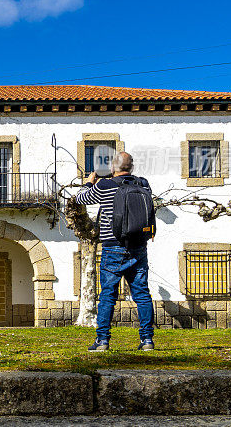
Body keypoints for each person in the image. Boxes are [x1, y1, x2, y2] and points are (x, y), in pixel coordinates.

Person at [75, 151, 155, 352]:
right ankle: (147, 340)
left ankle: (103, 341)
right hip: (138, 247)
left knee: (108, 295)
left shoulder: (105, 186)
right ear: (132, 168)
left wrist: (89, 183)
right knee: (142, 294)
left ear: (112, 168)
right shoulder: (143, 184)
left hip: (113, 247)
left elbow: (81, 198)